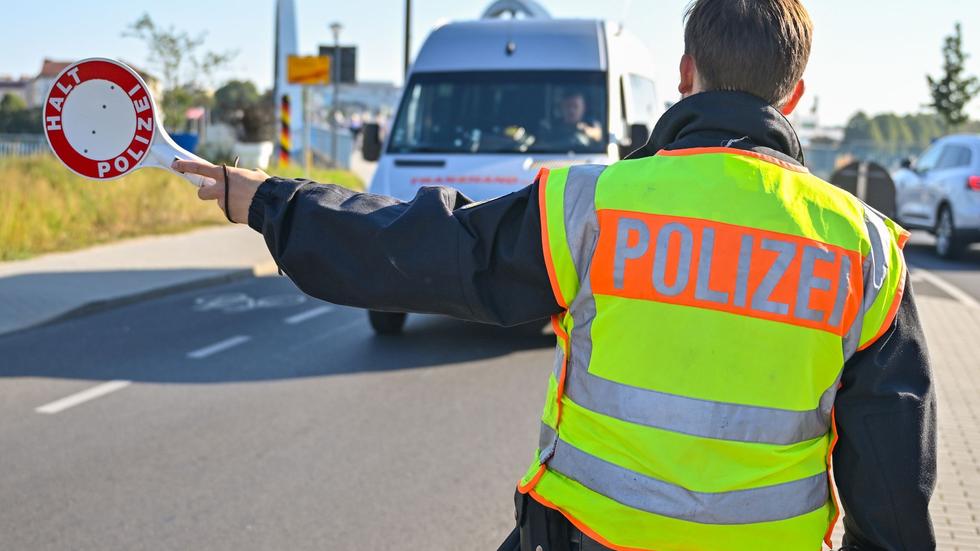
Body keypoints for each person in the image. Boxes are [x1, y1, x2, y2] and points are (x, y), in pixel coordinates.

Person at [174, 1, 936, 549]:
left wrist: (271, 201)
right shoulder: (867, 251)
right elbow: (895, 484)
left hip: (592, 536)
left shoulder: (594, 204)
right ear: (794, 93)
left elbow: (425, 248)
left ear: (684, 72)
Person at [540, 90, 604, 149]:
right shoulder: (551, 128)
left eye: (575, 106)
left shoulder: (592, 125)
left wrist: (589, 132)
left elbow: (602, 139)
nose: (571, 111)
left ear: (584, 108)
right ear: (561, 107)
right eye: (568, 106)